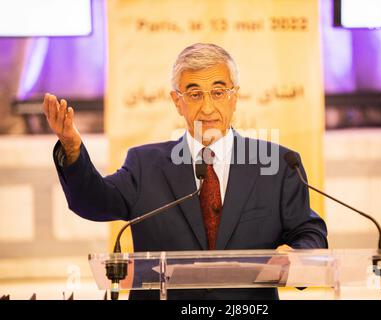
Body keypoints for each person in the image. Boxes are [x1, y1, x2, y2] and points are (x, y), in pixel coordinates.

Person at [42, 43, 327, 300]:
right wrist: (72, 149)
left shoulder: (277, 163)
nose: (207, 107)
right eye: (194, 94)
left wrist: (298, 255)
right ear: (177, 101)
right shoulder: (145, 164)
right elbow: (93, 202)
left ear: (234, 97)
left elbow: (309, 230)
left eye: (218, 92)